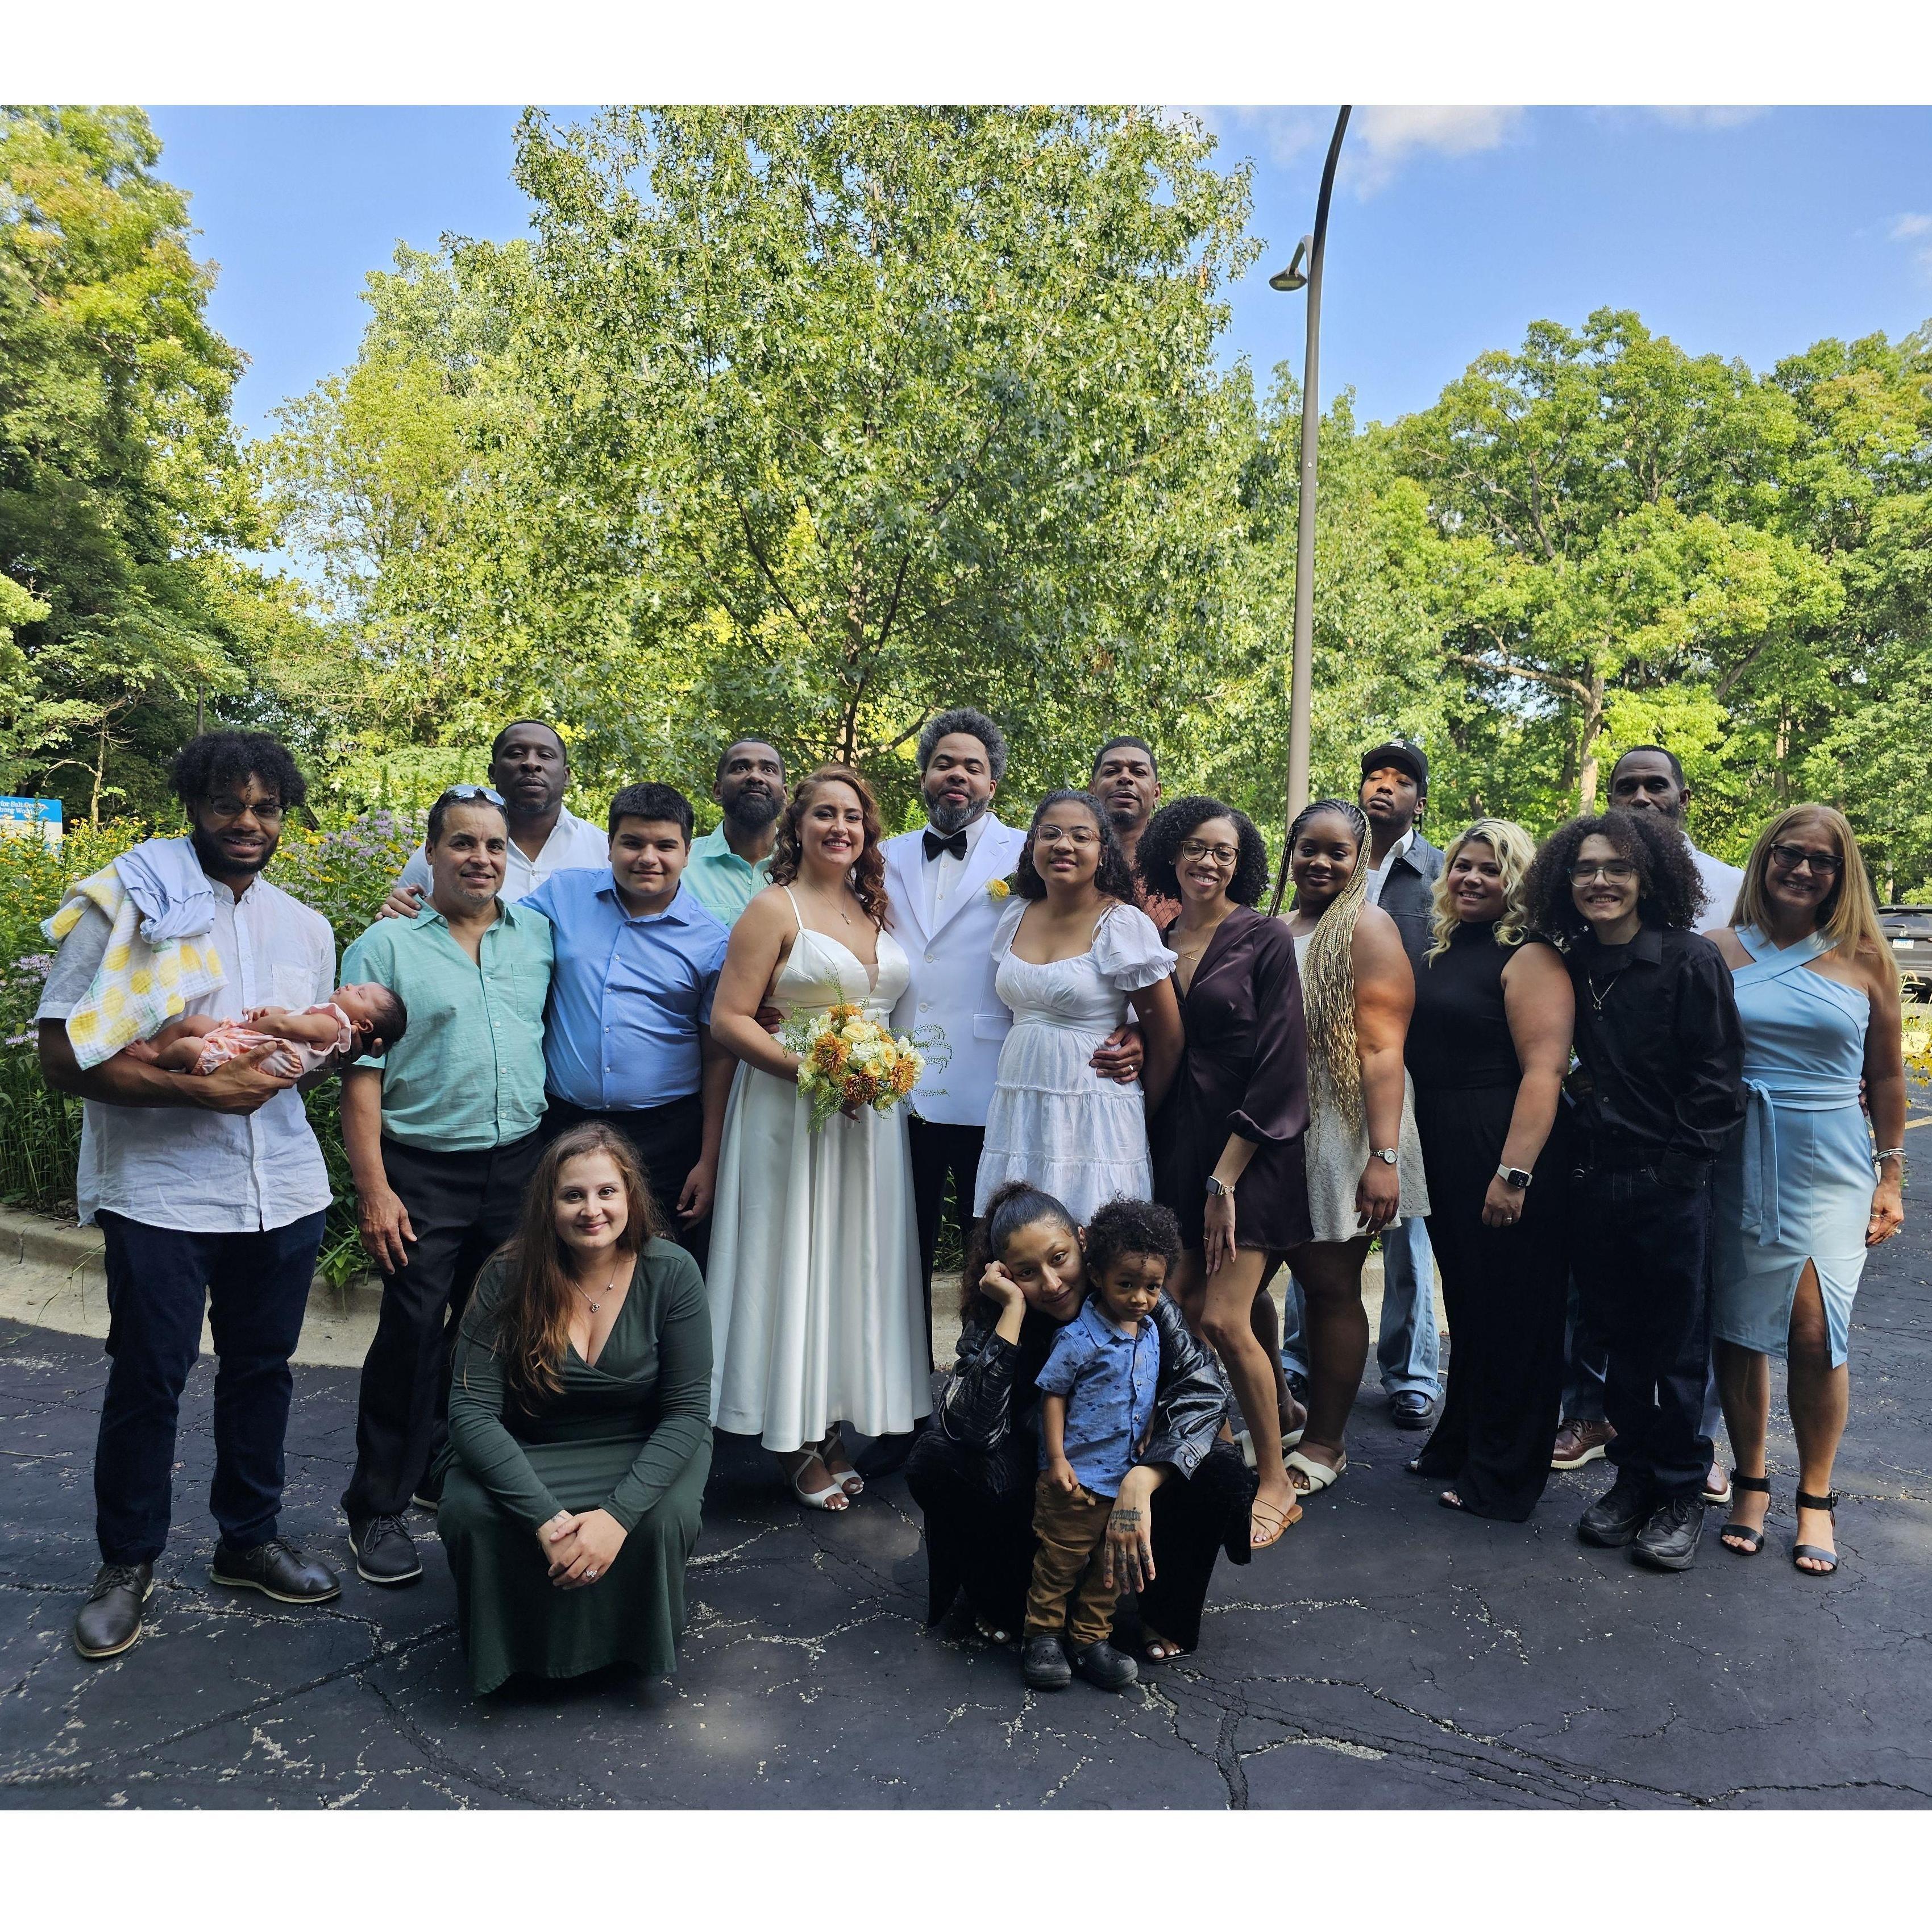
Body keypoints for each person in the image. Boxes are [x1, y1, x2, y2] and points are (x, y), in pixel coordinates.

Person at [38, 732, 343, 1660]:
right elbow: (61, 1056)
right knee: (148, 1379)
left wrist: (307, 1055)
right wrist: (191, 1085)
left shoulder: (306, 926)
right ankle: (125, 1563)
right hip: (162, 1191)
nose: (246, 823)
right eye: (227, 804)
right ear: (194, 806)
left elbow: (307, 1056)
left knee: (262, 1372)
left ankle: (247, 1541)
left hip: (281, 1192)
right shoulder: (127, 906)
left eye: (265, 807)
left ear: (283, 814)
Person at [336, 787, 555, 1585]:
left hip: (519, 1163)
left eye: (494, 846)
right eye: (462, 843)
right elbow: (359, 1076)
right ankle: (376, 1503)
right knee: (411, 1330)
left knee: (492, 1328)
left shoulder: (536, 935)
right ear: (429, 853)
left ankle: (446, 1465)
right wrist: (375, 1190)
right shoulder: (384, 947)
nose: (480, 858)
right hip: (423, 1168)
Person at [906, 1181, 1257, 1668]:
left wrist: (1147, 1473)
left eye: (1059, 1258)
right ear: (1003, 1273)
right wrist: (1010, 1311)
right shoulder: (997, 1313)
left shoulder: (1130, 1289)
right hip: (1036, 1484)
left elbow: (1205, 1387)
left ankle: (1163, 1611)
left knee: (1218, 1465)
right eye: (1026, 1272)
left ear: (1083, 1241)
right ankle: (1000, 1598)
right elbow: (972, 1428)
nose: (1050, 1283)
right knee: (937, 1458)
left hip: (1125, 1470)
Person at [1523, 811, 1745, 1573]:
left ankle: (1681, 1490)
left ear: (1646, 877)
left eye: (1616, 866)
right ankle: (1633, 1479)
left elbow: (1717, 1083)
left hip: (1669, 1181)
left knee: (1675, 1347)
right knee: (1613, 1344)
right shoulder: (1568, 963)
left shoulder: (1689, 960)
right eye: (1584, 867)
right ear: (1564, 878)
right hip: (1589, 1179)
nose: (1599, 880)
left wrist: (1675, 1173)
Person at [706, 765, 929, 1509]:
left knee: (850, 1264)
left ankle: (831, 1422)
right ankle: (792, 1438)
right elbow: (730, 1018)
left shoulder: (874, 907)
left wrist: (883, 1070)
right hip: (789, 1112)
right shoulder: (773, 908)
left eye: (854, 817)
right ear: (796, 827)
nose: (841, 827)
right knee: (793, 1254)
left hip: (869, 1123)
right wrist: (809, 1070)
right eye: (825, 814)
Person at [438, 1124, 712, 1696]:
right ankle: (512, 1652)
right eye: (573, 1195)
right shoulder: (507, 1275)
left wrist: (615, 1518)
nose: (593, 1210)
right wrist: (546, 1518)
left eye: (607, 1192)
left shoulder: (672, 1273)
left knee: (659, 1517)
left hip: (642, 1440)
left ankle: (632, 1644)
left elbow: (687, 1414)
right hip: (535, 1444)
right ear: (549, 1204)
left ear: (631, 1197)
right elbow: (470, 1412)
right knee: (472, 1511)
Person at [1707, 806, 1906, 1574]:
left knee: (1816, 1331)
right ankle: (1749, 1482)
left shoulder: (1863, 957)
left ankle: (1815, 1495)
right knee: (1737, 1324)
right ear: (1764, 859)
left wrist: (1889, 1170)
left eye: (1819, 860)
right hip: (1736, 1151)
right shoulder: (1716, 949)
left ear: (1838, 872)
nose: (1800, 868)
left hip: (1831, 1158)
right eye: (1787, 853)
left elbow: (1886, 1073)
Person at [1140, 796, 1311, 1551]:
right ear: (1170, 852)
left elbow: (1282, 1065)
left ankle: (1274, 1476)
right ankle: (1197, 1443)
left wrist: (1224, 1181)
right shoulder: (1154, 935)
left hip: (1250, 1148)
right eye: (1197, 847)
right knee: (1173, 1304)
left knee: (1219, 1315)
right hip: (1172, 1140)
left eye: (1226, 851)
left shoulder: (1262, 935)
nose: (1210, 860)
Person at [1405, 820, 1575, 1521]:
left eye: (1491, 870)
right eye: (1463, 867)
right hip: (1445, 1140)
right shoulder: (1443, 949)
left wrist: (1514, 1173)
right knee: (1471, 1306)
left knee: (1517, 1315)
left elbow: (1545, 1070)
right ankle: (1465, 1440)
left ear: (1518, 883)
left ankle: (1505, 1478)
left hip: (1503, 1143)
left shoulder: (1531, 956)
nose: (1472, 879)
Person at [1280, 740, 1444, 1432]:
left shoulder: (1369, 927)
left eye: (1337, 853)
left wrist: (1382, 1160)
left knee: (1330, 1286)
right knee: (1261, 1290)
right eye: (1307, 850)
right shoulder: (1274, 926)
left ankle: (1324, 1440)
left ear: (1358, 862)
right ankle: (1280, 1407)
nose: (1320, 862)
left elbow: (1382, 1049)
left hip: (1346, 1123)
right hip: (1281, 1121)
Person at [523, 783, 733, 1271]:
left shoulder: (711, 940)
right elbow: (491, 931)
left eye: (665, 846)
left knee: (659, 1263)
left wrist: (709, 1157)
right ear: (610, 844)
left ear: (687, 853)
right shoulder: (562, 896)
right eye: (633, 842)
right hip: (563, 1121)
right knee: (559, 1261)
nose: (648, 858)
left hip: (664, 1132)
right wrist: (418, 906)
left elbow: (717, 1053)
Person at [880, 710, 1031, 1336]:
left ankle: (982, 1385)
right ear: (923, 776)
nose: (957, 775)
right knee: (896, 1250)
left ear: (993, 783)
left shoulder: (1028, 851)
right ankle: (904, 1394)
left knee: (989, 1250)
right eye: (944, 763)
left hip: (988, 1084)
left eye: (973, 766)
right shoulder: (882, 855)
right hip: (894, 1085)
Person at [974, 790, 1182, 1221]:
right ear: (1031, 847)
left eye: (1079, 836)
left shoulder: (1122, 923)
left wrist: (1139, 1109)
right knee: (1020, 1241)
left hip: (1097, 1113)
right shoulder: (1014, 915)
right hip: (1020, 1108)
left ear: (1102, 853)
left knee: (1092, 1241)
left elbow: (1168, 1037)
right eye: (1049, 834)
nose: (1063, 845)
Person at [1023, 1197, 1182, 1693]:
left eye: (1152, 1286)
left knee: (1109, 1572)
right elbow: (1053, 1395)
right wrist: (1056, 1460)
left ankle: (1090, 1639)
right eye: (1127, 1285)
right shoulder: (1079, 1338)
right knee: (1059, 1563)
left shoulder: (1152, 1333)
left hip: (1123, 1480)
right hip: (1076, 1481)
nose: (1139, 1297)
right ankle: (1042, 1637)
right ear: (1097, 1276)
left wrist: (1152, 1427)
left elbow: (1148, 1389)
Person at [379, 720, 609, 916]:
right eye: (516, 754)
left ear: (566, 775)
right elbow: (403, 916)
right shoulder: (443, 855)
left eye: (545, 756)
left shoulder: (603, 853)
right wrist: (398, 909)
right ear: (493, 772)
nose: (531, 764)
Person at [123, 981, 404, 1075]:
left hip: (242, 1055)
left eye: (359, 994)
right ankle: (153, 1048)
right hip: (244, 1041)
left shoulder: (332, 1025)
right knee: (197, 1024)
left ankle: (154, 1059)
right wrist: (271, 1010)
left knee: (189, 1045)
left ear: (363, 1025)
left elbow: (282, 1025)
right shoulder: (325, 1021)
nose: (350, 986)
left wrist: (257, 1021)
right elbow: (286, 1017)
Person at [1606, 744, 1747, 920]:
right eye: (1627, 789)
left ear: (1683, 799)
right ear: (1611, 802)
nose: (1640, 798)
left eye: (1656, 786)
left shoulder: (1735, 888)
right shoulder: (1585, 886)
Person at [684, 738, 786, 926]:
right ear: (718, 790)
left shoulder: (806, 865)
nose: (755, 777)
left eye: (768, 770)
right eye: (740, 768)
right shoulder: (682, 866)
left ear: (785, 793)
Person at [1092, 736, 1176, 926]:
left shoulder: (1178, 867)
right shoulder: (1070, 860)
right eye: (1112, 771)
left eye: (1138, 772)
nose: (1125, 778)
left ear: (1156, 793)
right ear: (1092, 789)